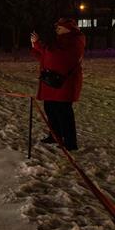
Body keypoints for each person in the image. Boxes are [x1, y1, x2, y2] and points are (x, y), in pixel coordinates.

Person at [30, 18, 85, 151]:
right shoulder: (59, 40)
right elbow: (46, 56)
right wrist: (35, 46)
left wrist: (38, 45)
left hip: (64, 83)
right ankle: (55, 135)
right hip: (53, 81)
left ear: (68, 28)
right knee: (50, 109)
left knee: (63, 112)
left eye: (60, 27)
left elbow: (57, 56)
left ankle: (70, 142)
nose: (57, 29)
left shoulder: (75, 40)